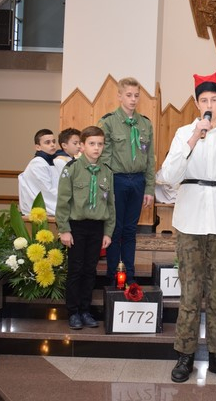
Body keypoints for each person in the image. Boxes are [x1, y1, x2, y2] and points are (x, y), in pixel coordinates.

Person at [158, 71, 216, 383]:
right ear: (197, 104)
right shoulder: (185, 133)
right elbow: (168, 177)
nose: (209, 105)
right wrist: (193, 139)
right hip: (190, 222)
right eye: (203, 100)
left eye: (214, 99)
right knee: (189, 293)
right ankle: (184, 354)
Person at [56, 126, 115, 330]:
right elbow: (63, 201)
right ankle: (73, 312)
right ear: (82, 146)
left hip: (96, 227)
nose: (96, 148)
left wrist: (108, 232)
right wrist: (64, 229)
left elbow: (111, 205)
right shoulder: (71, 169)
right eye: (92, 144)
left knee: (90, 270)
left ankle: (85, 310)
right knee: (76, 270)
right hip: (76, 227)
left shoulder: (107, 171)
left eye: (100, 144)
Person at [98, 77, 155, 285]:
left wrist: (149, 188)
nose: (133, 99)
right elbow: (104, 158)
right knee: (115, 229)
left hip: (138, 180)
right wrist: (106, 186)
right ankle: (114, 276)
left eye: (136, 96)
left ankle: (129, 275)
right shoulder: (108, 122)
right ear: (120, 96)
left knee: (131, 231)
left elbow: (150, 158)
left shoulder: (145, 124)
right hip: (117, 180)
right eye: (129, 95)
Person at [18, 128, 59, 216]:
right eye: (47, 142)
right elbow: (47, 191)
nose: (52, 145)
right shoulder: (38, 164)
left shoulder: (53, 162)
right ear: (38, 147)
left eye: (53, 142)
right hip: (40, 213)